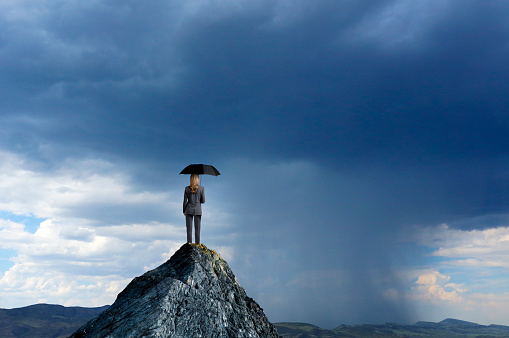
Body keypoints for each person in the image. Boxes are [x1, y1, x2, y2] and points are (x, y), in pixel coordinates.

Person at [183, 174, 205, 244]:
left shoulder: (187, 188)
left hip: (188, 209)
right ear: (198, 179)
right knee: (197, 229)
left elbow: (184, 201)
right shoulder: (201, 188)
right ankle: (197, 244)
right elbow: (203, 201)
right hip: (198, 210)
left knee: (189, 229)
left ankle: (189, 243)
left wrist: (184, 210)